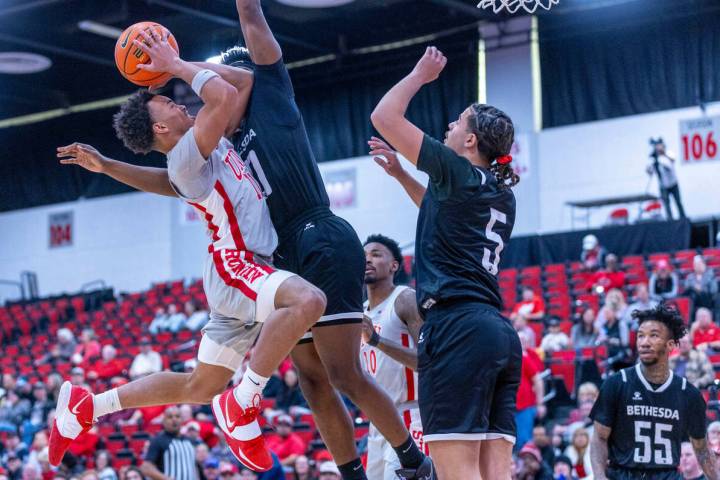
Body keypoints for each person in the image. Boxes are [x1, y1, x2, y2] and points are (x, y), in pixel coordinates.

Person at [51, 27, 326, 473]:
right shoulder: (185, 152)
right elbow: (217, 99)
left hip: (236, 268)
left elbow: (241, 83)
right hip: (236, 263)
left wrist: (106, 165)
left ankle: (88, 407)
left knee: (200, 386)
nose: (179, 100)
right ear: (161, 127)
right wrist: (173, 63)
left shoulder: (191, 156)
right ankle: (245, 402)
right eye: (168, 103)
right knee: (309, 300)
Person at [222, 2, 433, 479]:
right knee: (312, 382)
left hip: (319, 233)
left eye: (226, 82)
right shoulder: (224, 139)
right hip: (284, 256)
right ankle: (352, 473)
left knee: (343, 372)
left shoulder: (269, 90)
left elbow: (253, 18)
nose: (218, 93)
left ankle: (414, 463)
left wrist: (179, 63)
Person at [371, 44, 520, 480]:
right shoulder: (499, 192)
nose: (450, 126)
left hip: (456, 329)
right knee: (495, 473)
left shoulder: (454, 170)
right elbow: (440, 216)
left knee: (456, 473)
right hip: (497, 332)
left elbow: (384, 117)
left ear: (470, 141)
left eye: (458, 123)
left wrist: (419, 74)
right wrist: (401, 175)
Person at [589, 305, 719, 480]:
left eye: (654, 335)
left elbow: (702, 449)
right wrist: (599, 476)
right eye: (641, 335)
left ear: (671, 345)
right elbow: (599, 438)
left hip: (667, 475)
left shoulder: (688, 393)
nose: (644, 342)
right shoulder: (617, 383)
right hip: (622, 474)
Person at [360, 234, 427, 480]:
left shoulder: (405, 299)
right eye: (364, 255)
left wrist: (377, 341)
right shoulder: (360, 311)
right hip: (378, 421)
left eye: (376, 254)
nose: (367, 260)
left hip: (411, 416)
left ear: (394, 265)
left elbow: (428, 361)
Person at [140, 406, 199, 480]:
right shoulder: (158, 440)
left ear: (182, 420)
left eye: (177, 416)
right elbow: (146, 467)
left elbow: (194, 467)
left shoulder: (190, 441)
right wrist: (165, 478)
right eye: (170, 417)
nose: (174, 420)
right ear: (163, 421)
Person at [516, 331, 545, 451]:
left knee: (524, 441)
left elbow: (538, 380)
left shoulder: (525, 357)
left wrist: (540, 404)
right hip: (509, 406)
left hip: (525, 406)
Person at [646, 139, 686, 220]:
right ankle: (670, 220)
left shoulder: (668, 153)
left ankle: (683, 218)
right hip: (663, 185)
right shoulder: (655, 159)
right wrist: (649, 168)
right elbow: (650, 172)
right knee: (667, 205)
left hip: (673, 183)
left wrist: (663, 154)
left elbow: (672, 161)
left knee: (678, 202)